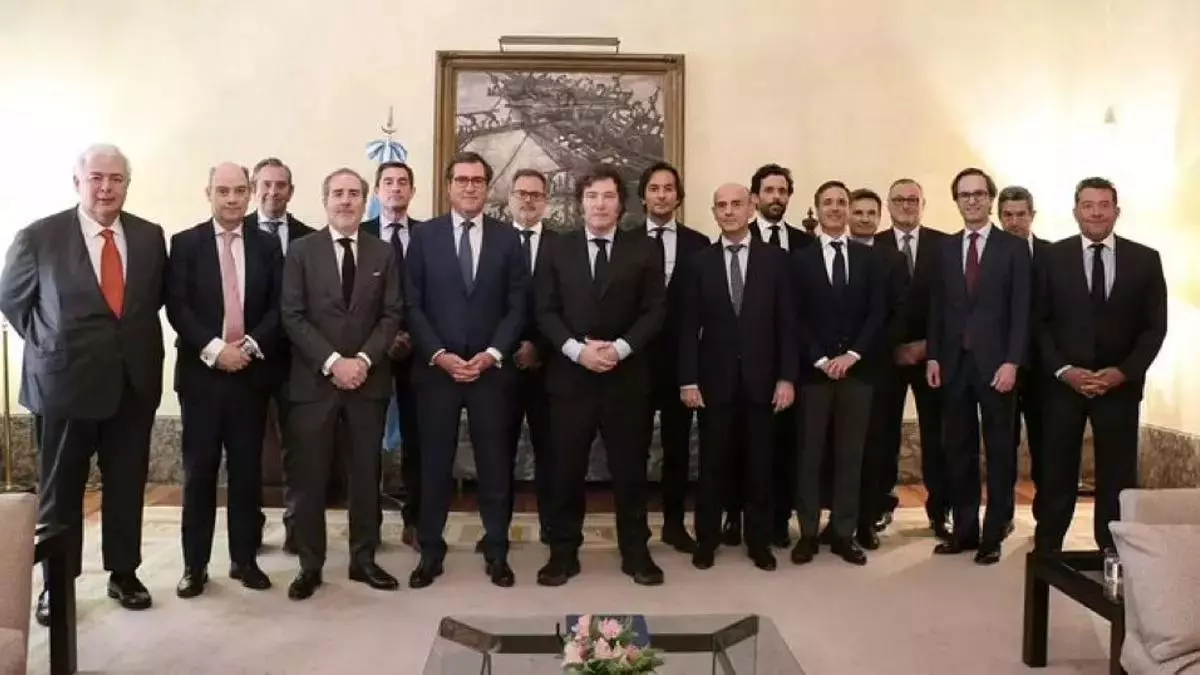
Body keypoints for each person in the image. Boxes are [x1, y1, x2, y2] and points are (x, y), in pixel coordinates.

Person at [0, 143, 167, 621]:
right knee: (61, 492)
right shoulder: (39, 236)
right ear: (78, 182)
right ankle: (57, 586)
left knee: (127, 483)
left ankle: (124, 573)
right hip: (63, 387)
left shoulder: (150, 236)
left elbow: (151, 300)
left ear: (127, 185)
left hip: (132, 384)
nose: (106, 188)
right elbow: (12, 300)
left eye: (116, 179)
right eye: (96, 178)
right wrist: (53, 344)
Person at [535, 163, 666, 586]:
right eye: (592, 196)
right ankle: (562, 553)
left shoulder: (645, 249)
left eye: (609, 196)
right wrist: (578, 351)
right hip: (570, 377)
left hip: (626, 377)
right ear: (580, 204)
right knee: (566, 470)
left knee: (630, 470)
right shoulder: (556, 248)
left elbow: (655, 310)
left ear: (621, 205)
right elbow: (544, 310)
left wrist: (619, 349)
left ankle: (636, 552)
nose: (600, 204)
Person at [405, 151, 529, 589]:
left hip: (490, 373)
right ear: (448, 186)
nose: (470, 187)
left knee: (495, 466)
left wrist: (492, 354)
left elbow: (518, 306)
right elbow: (412, 304)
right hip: (437, 373)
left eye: (478, 180)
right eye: (462, 179)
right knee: (434, 466)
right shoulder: (424, 237)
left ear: (488, 187)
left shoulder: (508, 239)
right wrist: (439, 354)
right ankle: (430, 551)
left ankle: (497, 550)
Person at [279, 167, 402, 600]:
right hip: (314, 384)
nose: (346, 201)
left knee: (365, 477)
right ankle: (310, 565)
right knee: (310, 479)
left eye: (354, 194)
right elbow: (292, 315)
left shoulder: (383, 253)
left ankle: (363, 559)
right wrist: (334, 363)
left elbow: (392, 314)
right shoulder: (301, 251)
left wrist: (363, 360)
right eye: (338, 193)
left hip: (368, 383)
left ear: (365, 201)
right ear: (325, 200)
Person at [1033, 177, 1167, 552]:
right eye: (1088, 205)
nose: (1096, 213)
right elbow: (1037, 323)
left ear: (1116, 211)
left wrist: (1123, 372)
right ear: (1076, 211)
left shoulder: (1145, 259)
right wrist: (1064, 371)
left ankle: (1113, 552)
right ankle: (1048, 552)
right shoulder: (1050, 258)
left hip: (1119, 387)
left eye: (1104, 205)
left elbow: (1154, 328)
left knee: (1117, 475)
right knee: (1056, 471)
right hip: (1062, 387)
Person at [166, 162, 281, 597]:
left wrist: (248, 347)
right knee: (199, 474)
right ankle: (194, 566)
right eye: (223, 190)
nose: (232, 199)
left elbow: (279, 306)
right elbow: (177, 307)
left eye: (239, 191)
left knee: (247, 472)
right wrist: (216, 350)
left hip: (251, 375)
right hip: (201, 377)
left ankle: (244, 560)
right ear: (209, 193)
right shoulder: (185, 243)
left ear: (250, 193)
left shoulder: (267, 245)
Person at [678, 183, 795, 570]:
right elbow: (687, 327)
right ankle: (707, 541)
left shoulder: (776, 260)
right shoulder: (698, 263)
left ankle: (758, 543)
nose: (728, 211)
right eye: (721, 206)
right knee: (712, 468)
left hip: (764, 384)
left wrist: (786, 378)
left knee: (760, 468)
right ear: (714, 212)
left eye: (736, 204)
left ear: (751, 209)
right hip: (715, 384)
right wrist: (688, 380)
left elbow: (788, 324)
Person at [927, 168, 1030, 565]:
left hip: (997, 367)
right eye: (964, 195)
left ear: (990, 199)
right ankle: (965, 531)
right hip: (953, 365)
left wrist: (1012, 361)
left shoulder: (1013, 248)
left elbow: (1021, 310)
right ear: (956, 201)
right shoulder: (944, 248)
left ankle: (993, 534)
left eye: (979, 194)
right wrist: (934, 355)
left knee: (1000, 451)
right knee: (958, 450)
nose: (972, 200)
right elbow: (937, 308)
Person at [790, 181, 885, 567]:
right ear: (817, 209)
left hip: (857, 373)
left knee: (850, 456)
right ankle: (808, 533)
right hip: (814, 374)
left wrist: (852, 355)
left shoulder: (868, 259)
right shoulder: (799, 260)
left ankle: (844, 533)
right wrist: (820, 359)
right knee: (809, 456)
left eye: (841, 202)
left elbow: (877, 312)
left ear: (848, 209)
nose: (834, 208)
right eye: (827, 202)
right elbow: (794, 316)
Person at [636, 161, 710, 554]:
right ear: (643, 196)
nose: (662, 195)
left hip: (682, 363)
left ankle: (674, 524)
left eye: (668, 189)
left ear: (678, 197)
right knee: (633, 449)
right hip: (634, 363)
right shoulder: (626, 240)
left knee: (678, 449)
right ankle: (634, 527)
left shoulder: (699, 244)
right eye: (654, 188)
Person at [244, 157, 315, 552]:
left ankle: (298, 530)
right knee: (246, 449)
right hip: (248, 360)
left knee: (299, 452)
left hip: (296, 361)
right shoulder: (236, 231)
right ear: (254, 188)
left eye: (281, 185)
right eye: (266, 185)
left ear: (291, 190)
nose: (273, 192)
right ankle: (249, 530)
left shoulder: (310, 237)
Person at [872, 179, 950, 538]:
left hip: (932, 356)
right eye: (899, 199)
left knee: (937, 436)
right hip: (886, 357)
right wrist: (893, 347)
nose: (906, 205)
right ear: (888, 205)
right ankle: (880, 505)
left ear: (923, 204)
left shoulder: (944, 245)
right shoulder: (873, 245)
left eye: (913, 199)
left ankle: (940, 511)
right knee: (882, 434)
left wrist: (929, 345)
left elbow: (952, 304)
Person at [361, 160, 423, 550]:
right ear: (377, 191)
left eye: (403, 182)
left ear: (412, 191)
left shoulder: (429, 234)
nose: (395, 188)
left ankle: (415, 520)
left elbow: (435, 293)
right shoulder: (360, 233)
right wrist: (383, 340)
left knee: (419, 440)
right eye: (388, 182)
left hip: (420, 353)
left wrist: (413, 336)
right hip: (371, 353)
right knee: (366, 441)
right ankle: (368, 525)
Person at [846, 188, 909, 550]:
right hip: (837, 368)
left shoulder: (892, 259)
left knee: (876, 446)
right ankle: (839, 519)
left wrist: (866, 350)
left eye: (871, 213)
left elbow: (900, 312)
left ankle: (867, 520)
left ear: (880, 217)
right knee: (842, 448)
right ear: (848, 215)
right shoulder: (832, 252)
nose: (865, 218)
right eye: (858, 212)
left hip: (878, 368)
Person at [502, 168, 558, 543]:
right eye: (521, 193)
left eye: (536, 195)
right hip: (501, 366)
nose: (528, 200)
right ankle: (497, 529)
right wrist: (510, 347)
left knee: (551, 453)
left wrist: (539, 346)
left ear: (546, 201)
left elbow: (569, 306)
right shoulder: (493, 242)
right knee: (499, 454)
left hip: (549, 367)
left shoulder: (563, 245)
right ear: (510, 199)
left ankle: (553, 527)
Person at [997, 185, 1050, 521]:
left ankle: (1046, 518)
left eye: (1021, 214)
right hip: (1002, 365)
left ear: (1032, 215)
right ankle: (1002, 516)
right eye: (1007, 215)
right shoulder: (989, 254)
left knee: (1046, 443)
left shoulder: (1053, 255)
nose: (1014, 222)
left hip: (1045, 367)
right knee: (1003, 444)